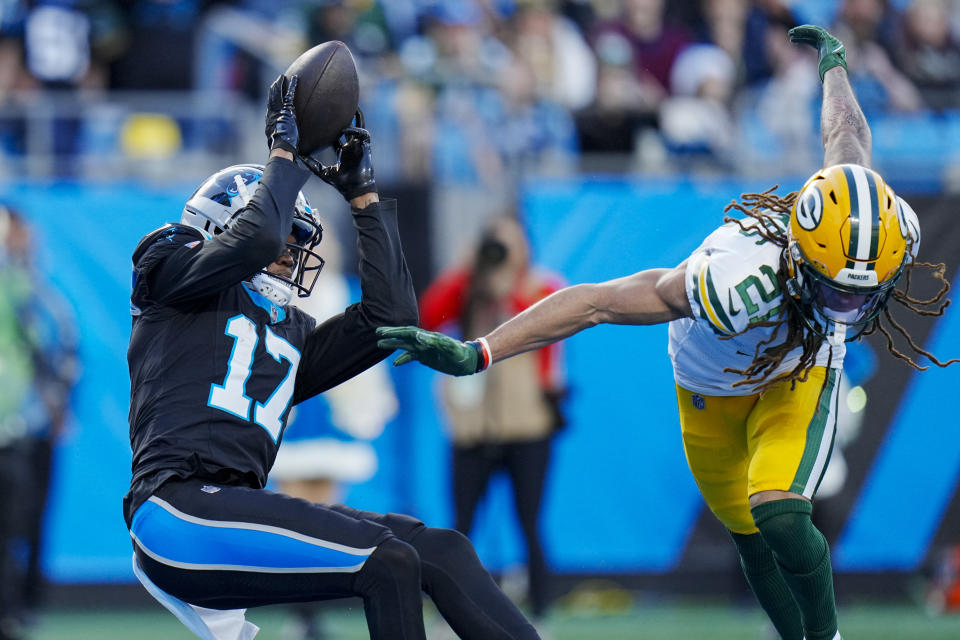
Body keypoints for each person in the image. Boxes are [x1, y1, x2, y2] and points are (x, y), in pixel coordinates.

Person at [377, 25, 959, 640]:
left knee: (782, 514)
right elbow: (596, 303)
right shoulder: (734, 282)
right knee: (752, 540)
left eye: (861, 294)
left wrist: (834, 67)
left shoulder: (876, 224)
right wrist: (480, 350)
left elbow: (847, 139)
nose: (847, 307)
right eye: (835, 289)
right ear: (796, 255)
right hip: (709, 389)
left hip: (802, 374)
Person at [123, 74, 541, 640]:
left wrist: (363, 196)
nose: (290, 255)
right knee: (387, 561)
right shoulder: (168, 264)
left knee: (441, 550)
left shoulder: (288, 328)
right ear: (220, 222)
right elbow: (254, 241)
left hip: (232, 510)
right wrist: (285, 154)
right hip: (176, 511)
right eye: (287, 239)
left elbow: (391, 317)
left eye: (298, 244)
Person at [419, 216, 566, 619]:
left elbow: (551, 333)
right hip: (472, 427)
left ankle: (539, 613)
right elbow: (429, 316)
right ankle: (449, 608)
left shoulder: (543, 286)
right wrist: (466, 269)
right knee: (460, 523)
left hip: (528, 425)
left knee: (530, 524)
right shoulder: (468, 286)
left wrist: (510, 287)